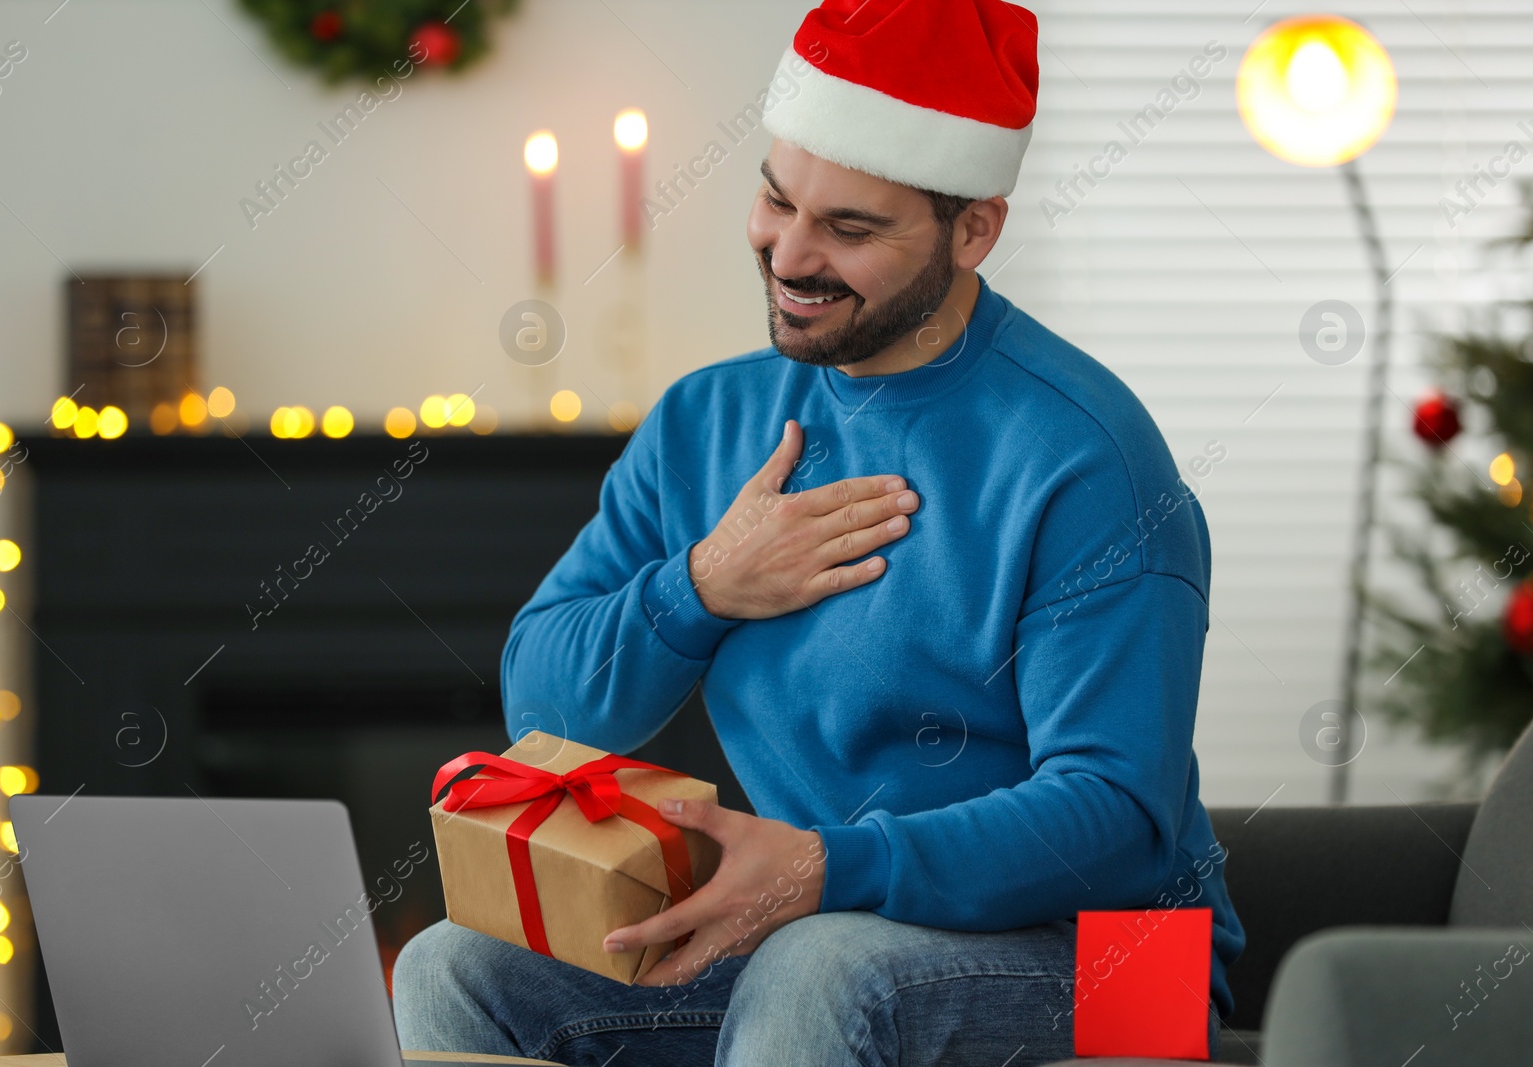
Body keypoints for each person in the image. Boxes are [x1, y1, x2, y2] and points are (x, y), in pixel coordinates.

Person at [394, 1, 1244, 1063]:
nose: (788, 253)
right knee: (454, 962)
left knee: (818, 965)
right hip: (836, 919)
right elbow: (546, 710)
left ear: (973, 228)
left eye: (849, 228)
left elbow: (1118, 811)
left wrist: (823, 868)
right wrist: (700, 585)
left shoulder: (1085, 459)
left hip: (1125, 962)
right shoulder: (707, 421)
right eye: (775, 197)